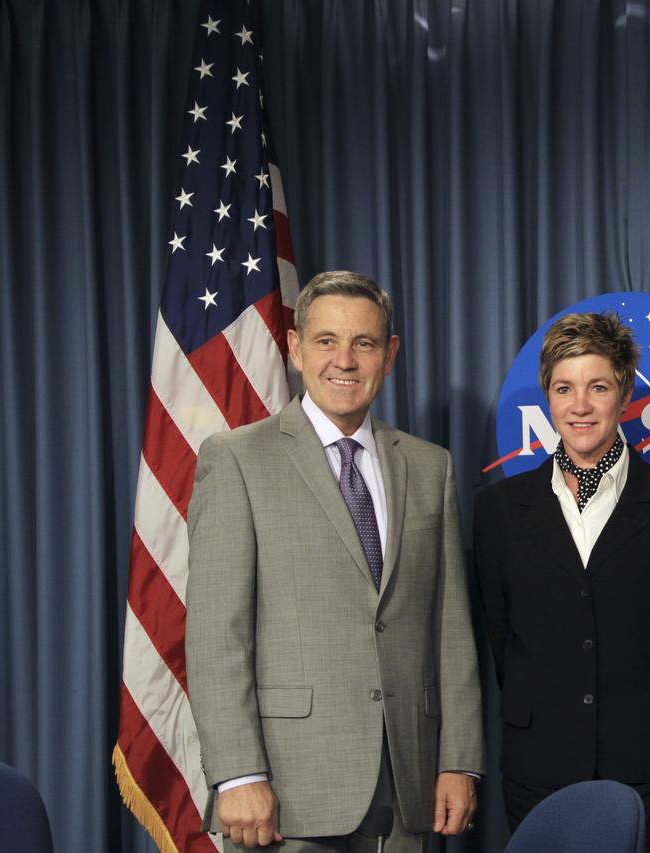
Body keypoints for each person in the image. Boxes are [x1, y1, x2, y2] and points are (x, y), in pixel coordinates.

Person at [185, 271, 483, 852]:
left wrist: (460, 760)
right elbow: (216, 637)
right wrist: (239, 774)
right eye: (326, 341)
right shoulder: (237, 460)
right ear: (295, 349)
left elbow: (450, 629)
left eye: (364, 343)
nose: (344, 360)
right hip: (288, 794)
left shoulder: (429, 467)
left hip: (408, 788)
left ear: (389, 355)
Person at [474, 312, 650, 853]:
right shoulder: (499, 512)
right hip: (541, 771)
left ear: (624, 394)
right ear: (547, 398)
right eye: (564, 388)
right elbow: (503, 640)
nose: (580, 405)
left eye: (597, 386)